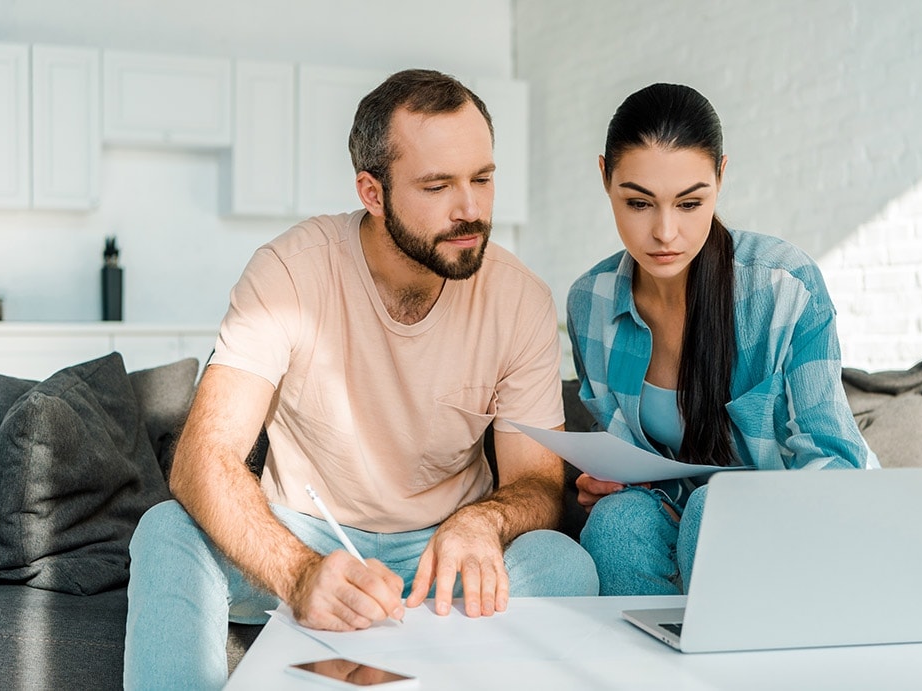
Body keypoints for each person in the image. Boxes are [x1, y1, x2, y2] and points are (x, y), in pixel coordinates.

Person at [125, 69, 598, 689]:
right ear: (372, 193)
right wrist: (299, 574)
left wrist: (483, 522)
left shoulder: (521, 299)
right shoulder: (288, 274)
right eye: (437, 186)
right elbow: (202, 460)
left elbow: (537, 481)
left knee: (561, 564)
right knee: (166, 531)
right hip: (306, 534)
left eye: (482, 178)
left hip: (444, 552)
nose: (471, 210)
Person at [566, 83, 876, 596]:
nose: (666, 232)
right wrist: (613, 481)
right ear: (604, 177)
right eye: (639, 203)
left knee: (719, 505)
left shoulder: (782, 287)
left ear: (721, 177)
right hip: (681, 518)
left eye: (690, 203)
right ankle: (651, 671)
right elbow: (639, 466)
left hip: (802, 526)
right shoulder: (591, 303)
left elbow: (834, 463)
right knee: (618, 522)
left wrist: (733, 501)